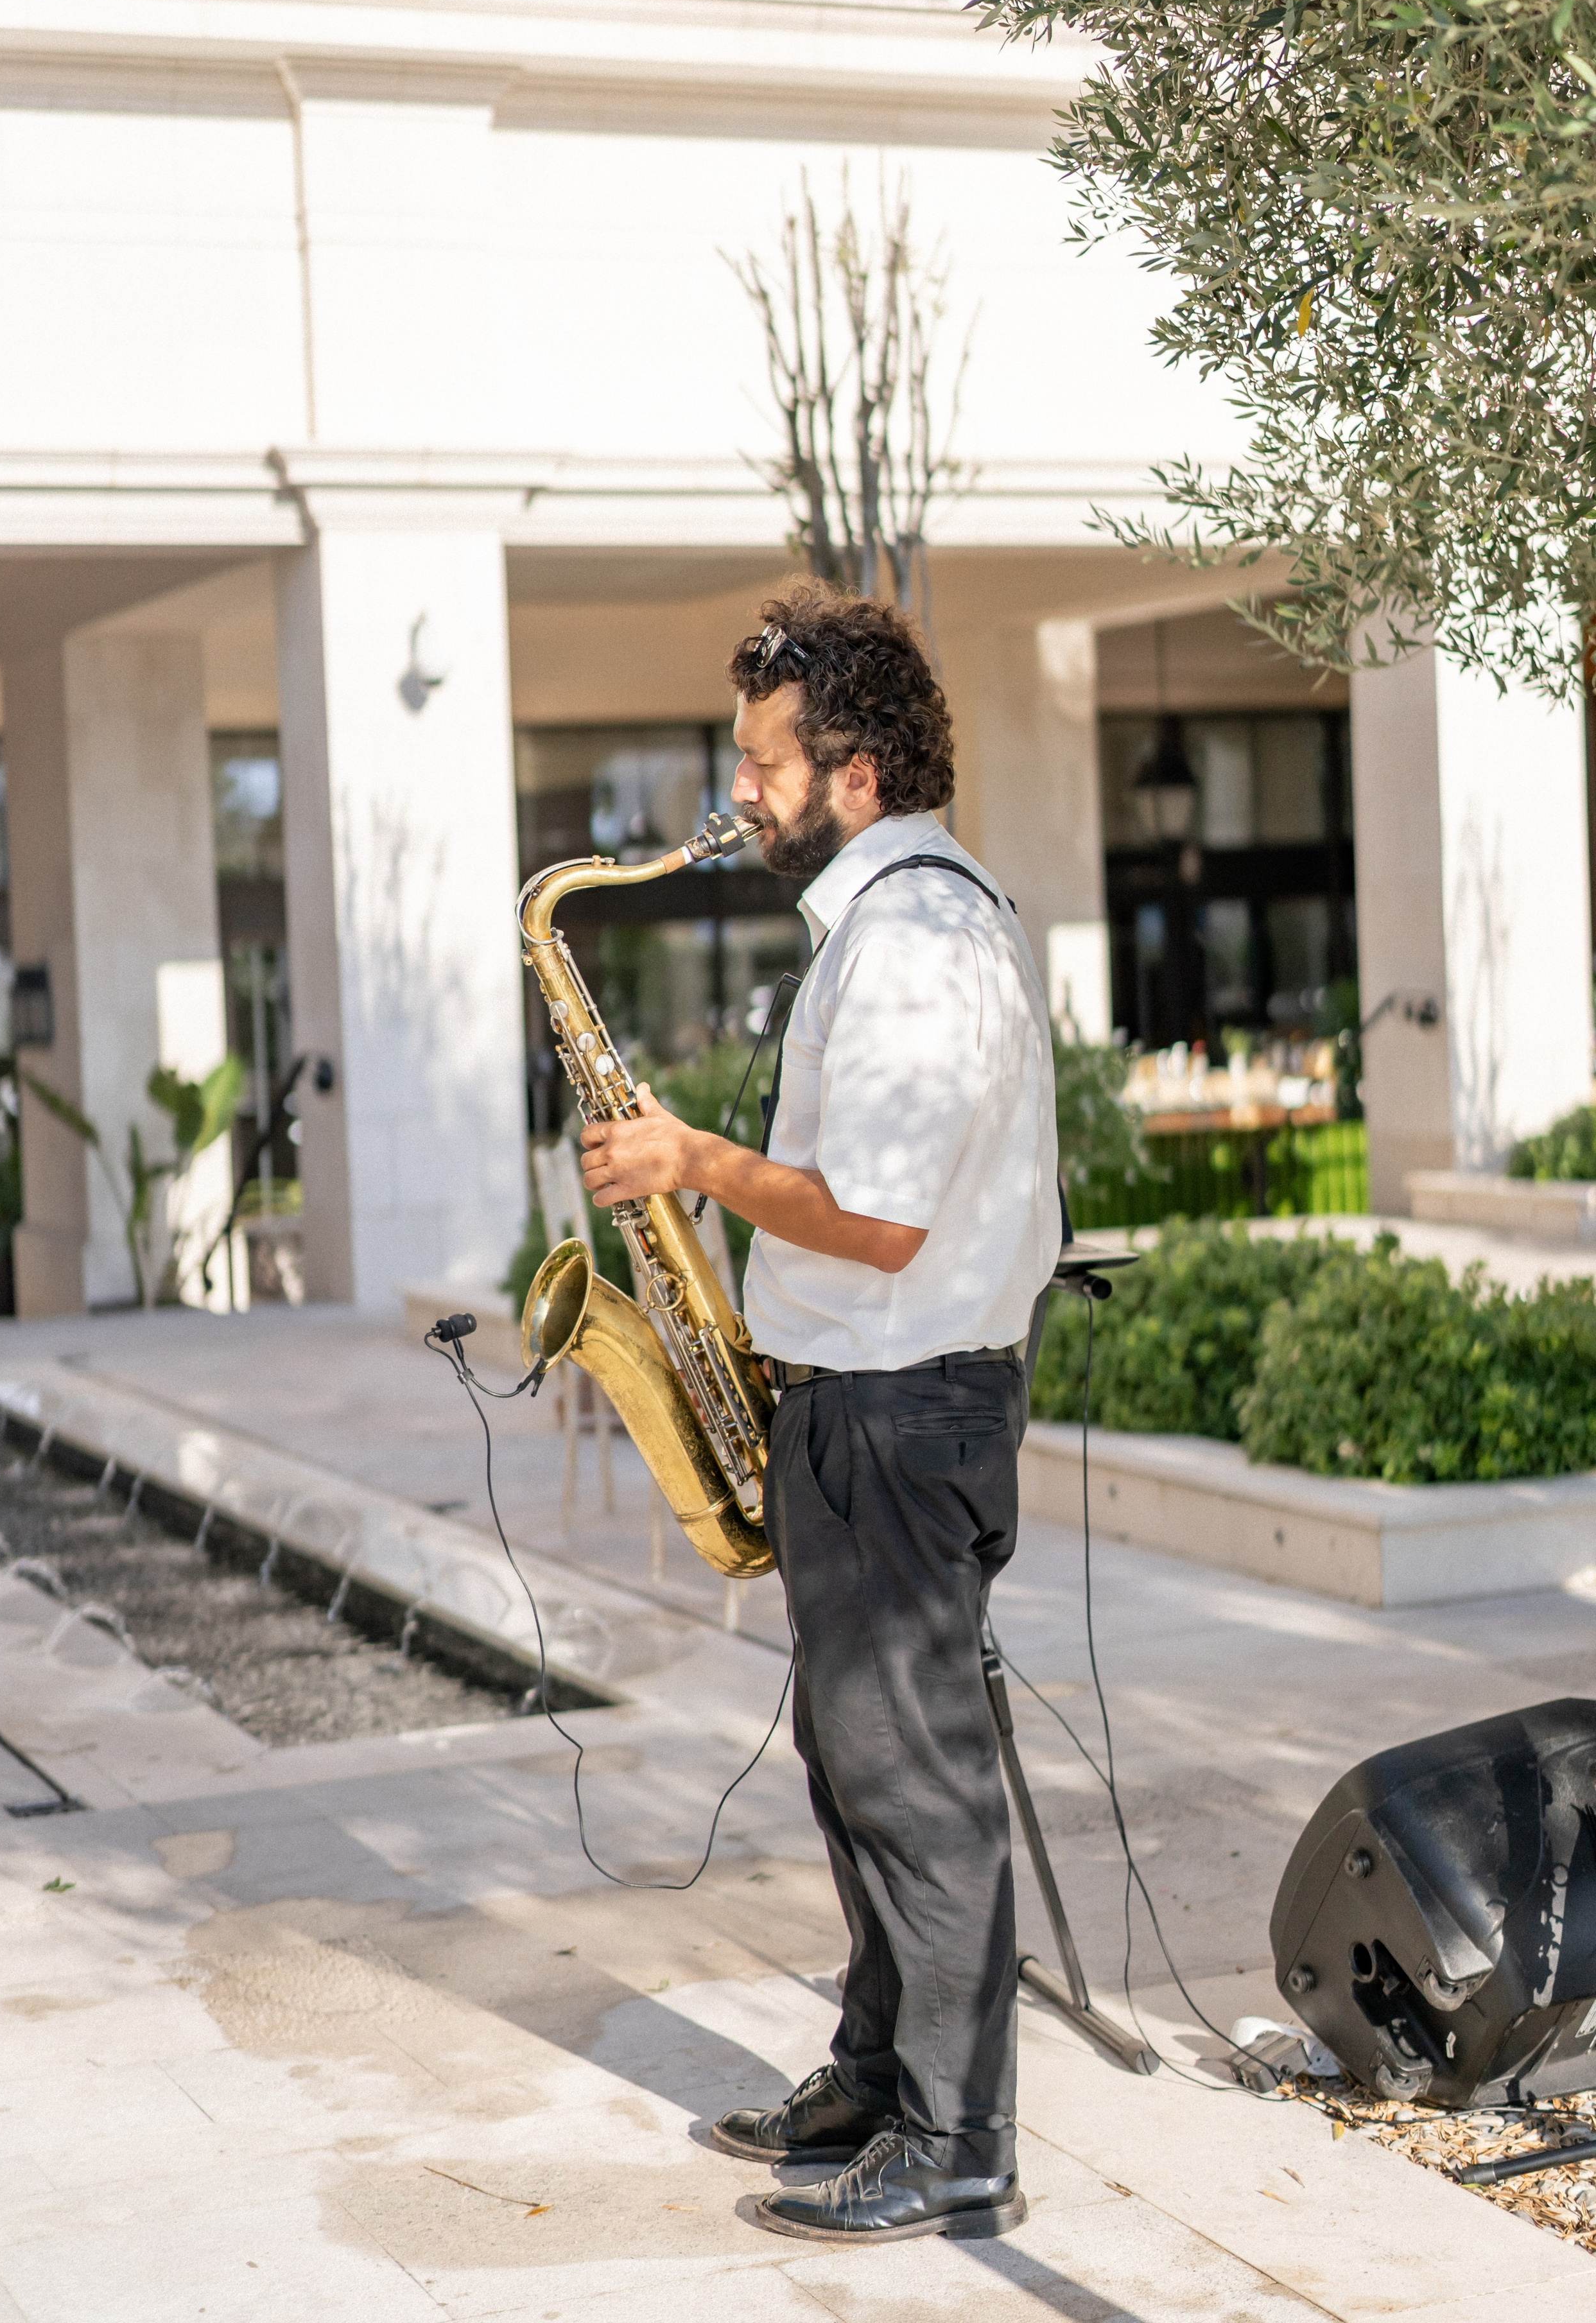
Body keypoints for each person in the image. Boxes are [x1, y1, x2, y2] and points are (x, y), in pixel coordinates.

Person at [578, 585, 1060, 2247]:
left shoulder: (919, 940)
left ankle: (960, 2135)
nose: (741, 787)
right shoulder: (885, 923)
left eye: (763, 759)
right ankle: (876, 2068)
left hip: (903, 1409)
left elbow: (884, 1220)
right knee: (852, 1753)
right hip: (867, 1402)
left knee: (910, 1770)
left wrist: (691, 1165)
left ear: (853, 774)